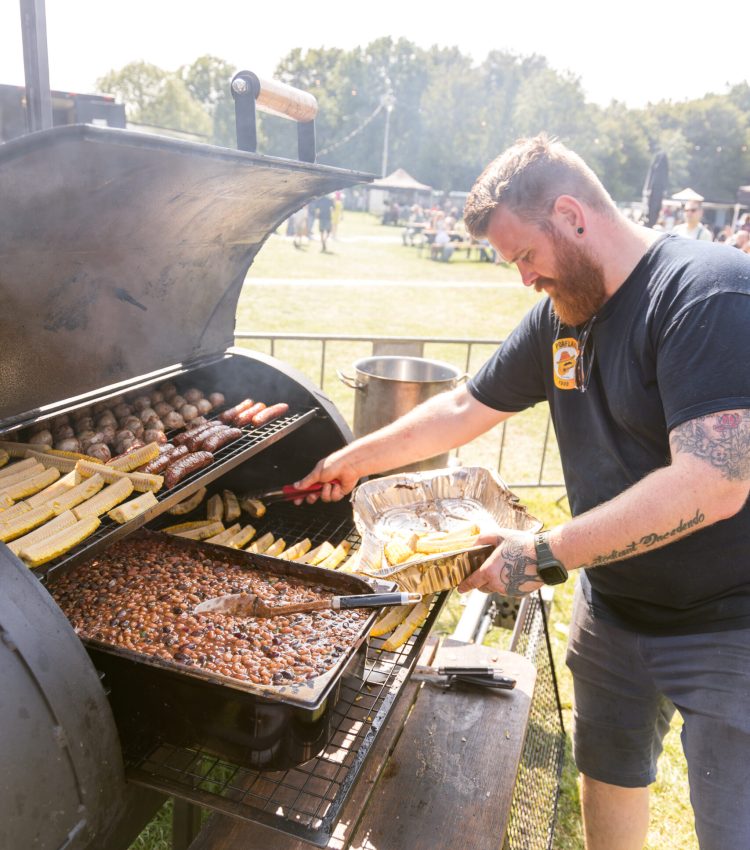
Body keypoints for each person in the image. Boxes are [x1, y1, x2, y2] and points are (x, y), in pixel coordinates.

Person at [294, 134, 750, 850]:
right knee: (610, 775)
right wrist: (354, 460)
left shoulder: (707, 292)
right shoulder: (560, 318)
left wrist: (541, 553)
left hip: (728, 624)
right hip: (613, 606)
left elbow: (715, 480)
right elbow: (461, 407)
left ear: (571, 214)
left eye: (526, 256)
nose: (524, 279)